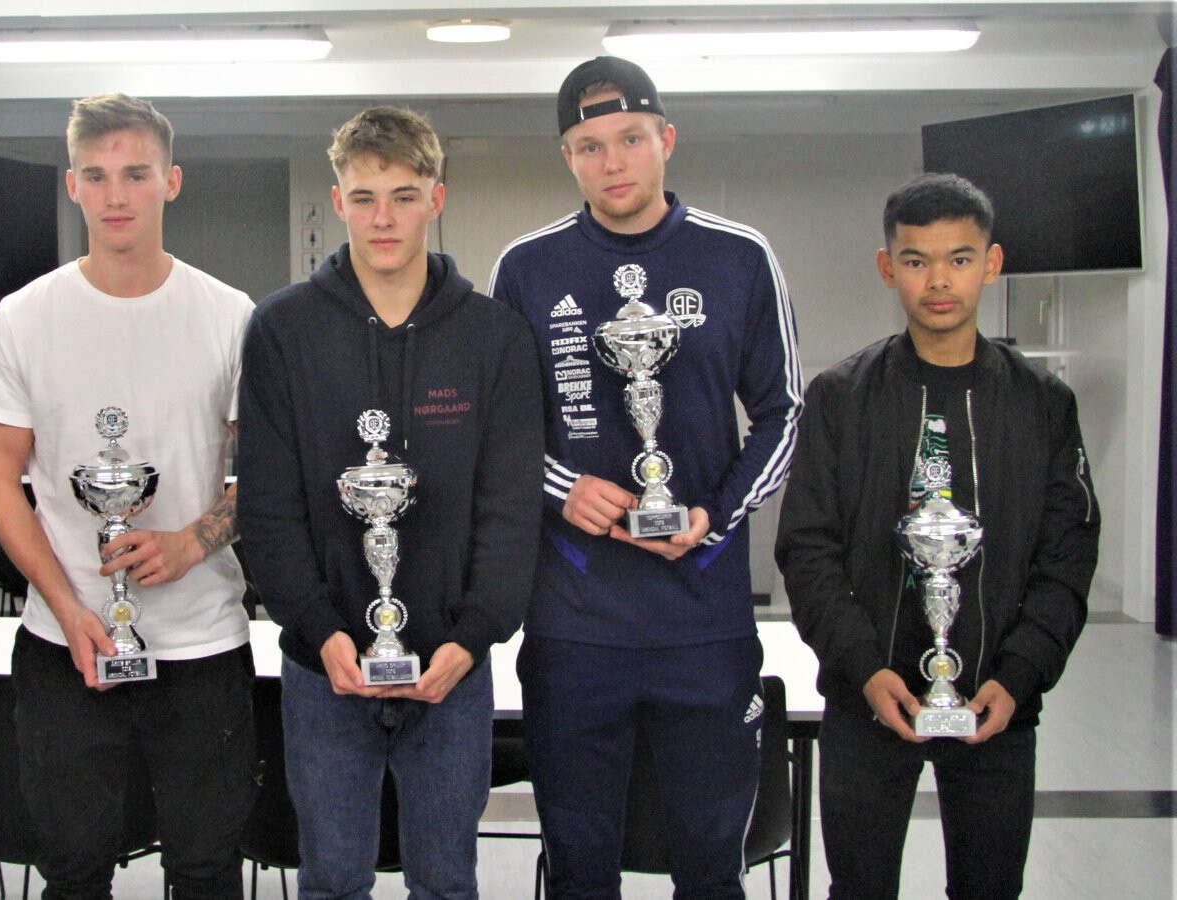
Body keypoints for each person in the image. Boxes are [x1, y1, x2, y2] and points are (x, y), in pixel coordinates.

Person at [488, 56, 803, 898]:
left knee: (710, 868)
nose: (613, 161)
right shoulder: (527, 268)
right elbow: (499, 428)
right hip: (575, 624)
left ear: (667, 139)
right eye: (590, 146)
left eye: (630, 139)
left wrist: (715, 517)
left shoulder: (739, 256)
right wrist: (565, 489)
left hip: (704, 619)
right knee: (580, 870)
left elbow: (783, 414)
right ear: (568, 157)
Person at [237, 106, 543, 899]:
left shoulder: (495, 338)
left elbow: (511, 510)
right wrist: (320, 630)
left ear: (435, 199)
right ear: (337, 201)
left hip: (452, 668)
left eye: (404, 196)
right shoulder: (280, 331)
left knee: (446, 883)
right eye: (365, 197)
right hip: (324, 667)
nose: (383, 219)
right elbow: (267, 508)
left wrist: (472, 639)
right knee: (332, 882)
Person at [775, 172, 1099, 898]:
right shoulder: (841, 397)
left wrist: (1019, 676)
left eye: (959, 258)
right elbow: (808, 549)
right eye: (917, 261)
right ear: (888, 268)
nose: (939, 281)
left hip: (996, 706)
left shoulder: (1043, 404)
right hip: (867, 699)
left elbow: (1068, 555)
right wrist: (865, 669)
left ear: (992, 263)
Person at [0, 92, 256, 899]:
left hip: (200, 645)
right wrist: (66, 607)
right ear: (73, 186)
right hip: (66, 646)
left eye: (136, 174)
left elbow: (267, 472)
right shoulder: (23, 318)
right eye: (96, 176)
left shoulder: (229, 315)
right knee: (72, 871)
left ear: (172, 181)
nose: (116, 194)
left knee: (206, 870)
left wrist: (191, 541)